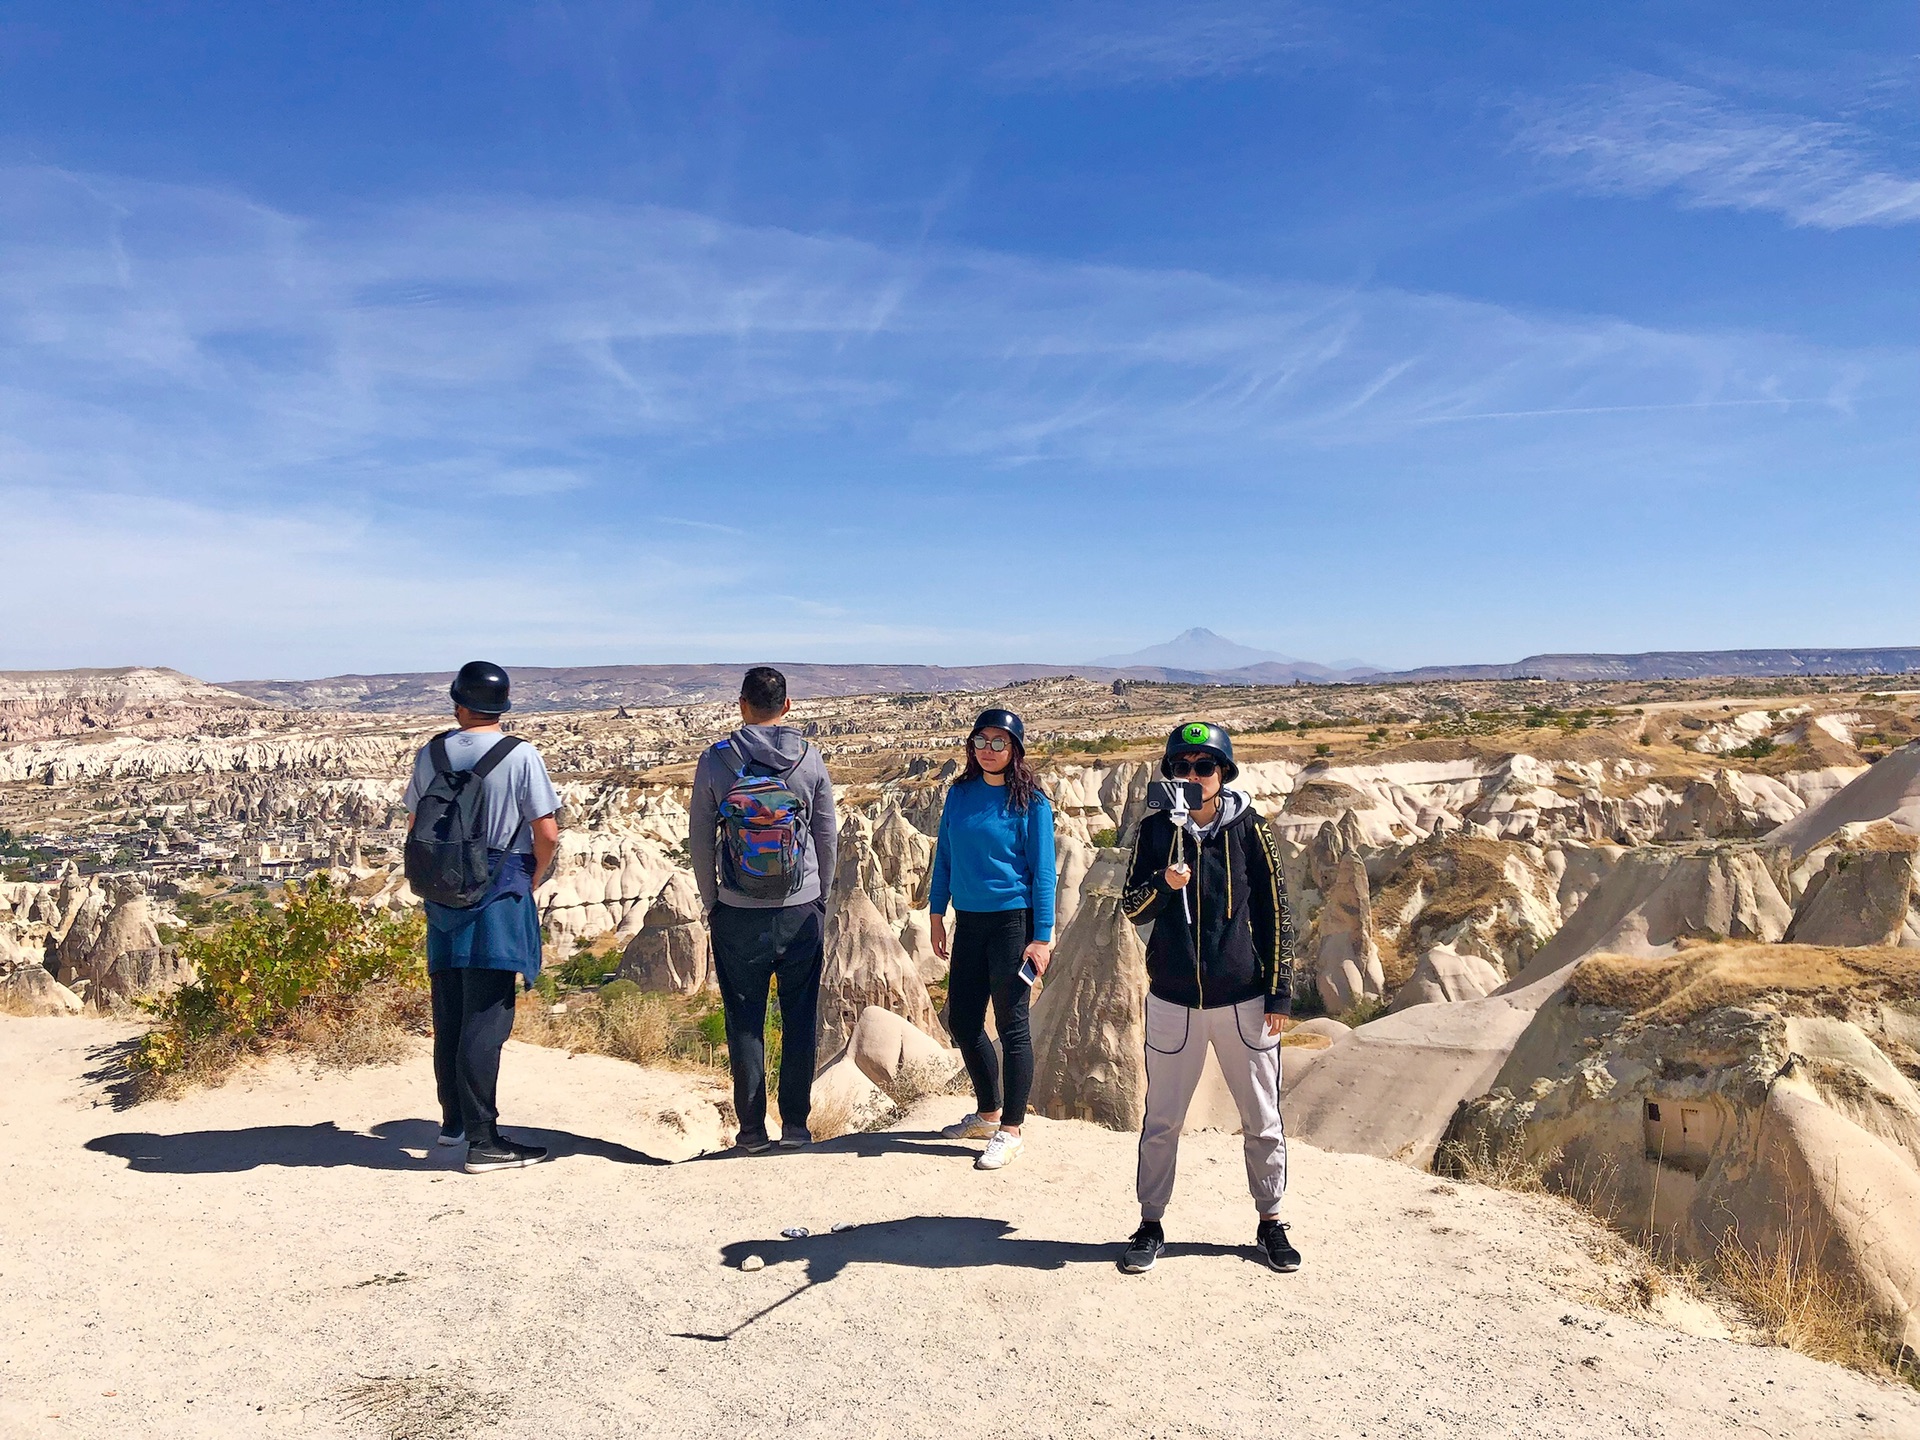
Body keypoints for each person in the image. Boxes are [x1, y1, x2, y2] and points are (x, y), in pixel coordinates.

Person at [1118, 721, 1300, 1274]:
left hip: (1243, 998)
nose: (1192, 777)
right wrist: (1163, 886)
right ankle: (1151, 1222)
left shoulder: (1251, 830)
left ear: (1224, 772)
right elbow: (1131, 907)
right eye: (1181, 767)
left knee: (1261, 1117)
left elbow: (1276, 912)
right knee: (1162, 1118)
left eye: (1204, 767)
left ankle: (1271, 1221)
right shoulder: (1155, 832)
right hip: (1173, 999)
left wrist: (1280, 992)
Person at [402, 661, 561, 1175]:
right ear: (503, 706)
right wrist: (532, 878)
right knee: (486, 1017)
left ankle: (452, 1124)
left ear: (458, 703)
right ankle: (485, 1140)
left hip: (443, 889)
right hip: (497, 888)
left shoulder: (432, 752)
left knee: (449, 1008)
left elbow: (415, 823)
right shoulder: (521, 756)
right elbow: (548, 832)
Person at [689, 666, 837, 1153]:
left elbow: (701, 839)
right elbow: (825, 836)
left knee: (745, 1020)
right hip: (800, 912)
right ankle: (795, 1126)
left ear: (741, 705)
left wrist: (714, 901)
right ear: (787, 706)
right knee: (800, 1019)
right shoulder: (809, 760)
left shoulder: (716, 761)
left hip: (737, 911)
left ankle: (752, 1131)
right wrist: (819, 895)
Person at [928, 707, 1056, 1172]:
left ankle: (1011, 1131)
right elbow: (945, 854)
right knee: (962, 1019)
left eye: (999, 742)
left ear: (1015, 749)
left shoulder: (1032, 803)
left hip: (1012, 923)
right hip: (969, 920)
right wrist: (936, 911)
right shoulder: (959, 794)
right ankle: (988, 1112)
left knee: (1011, 1024)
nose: (988, 750)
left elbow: (1043, 874)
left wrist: (1041, 938)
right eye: (981, 741)